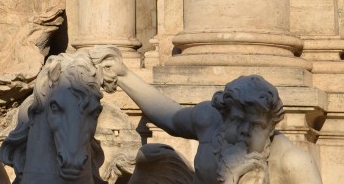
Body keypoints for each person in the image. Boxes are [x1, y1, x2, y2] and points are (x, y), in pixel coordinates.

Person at [89, 46, 323, 184]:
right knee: (151, 158)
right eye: (237, 120)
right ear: (224, 116)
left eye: (257, 125)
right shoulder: (210, 121)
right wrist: (123, 75)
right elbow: (170, 116)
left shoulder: (294, 163)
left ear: (271, 129)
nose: (245, 130)